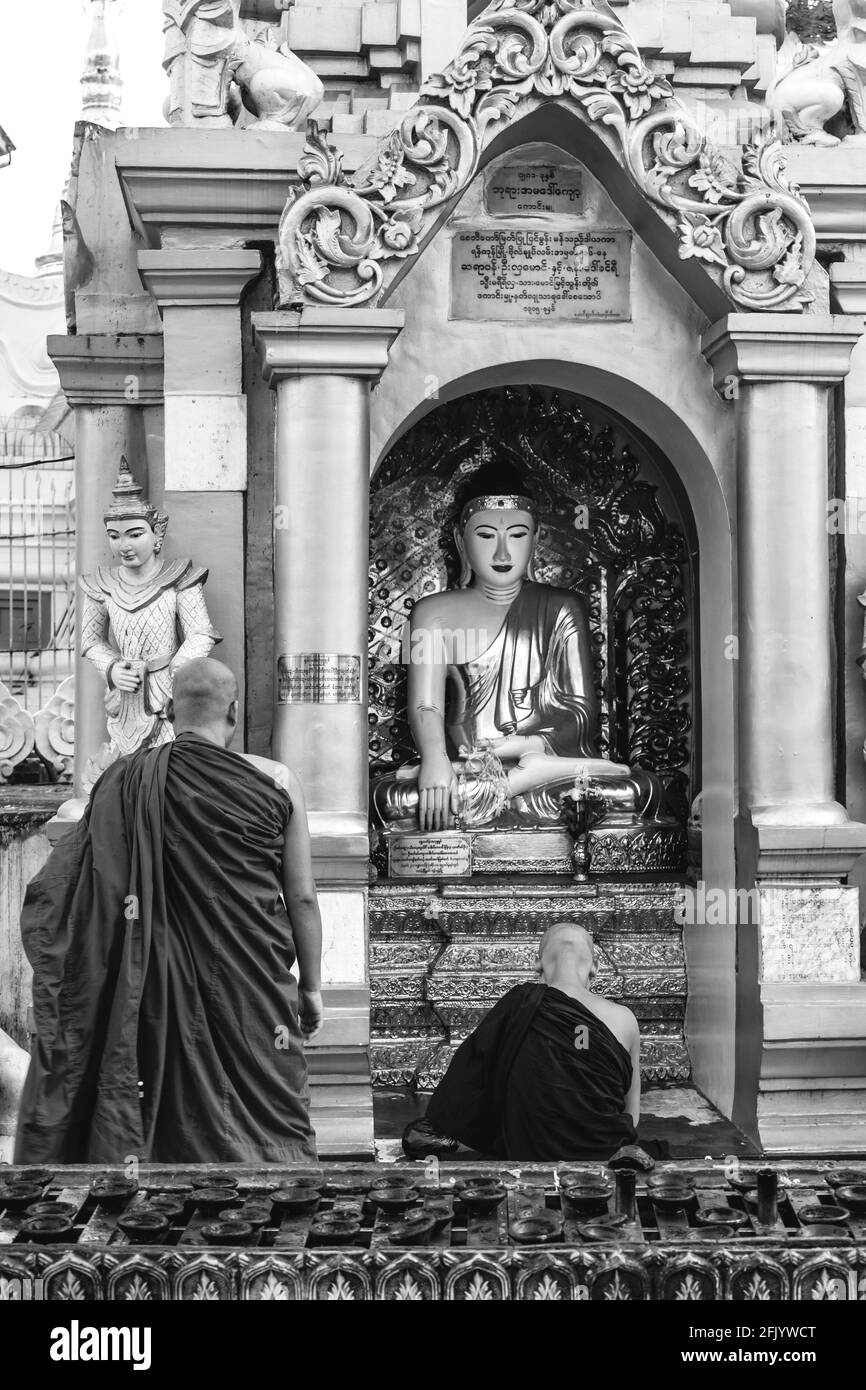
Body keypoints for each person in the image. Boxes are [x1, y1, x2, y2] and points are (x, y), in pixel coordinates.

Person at [14, 658, 323, 1166]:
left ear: (165, 708)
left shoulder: (125, 779)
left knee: (157, 1078)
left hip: (152, 980)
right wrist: (310, 988)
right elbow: (304, 897)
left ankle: (149, 1194)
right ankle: (272, 1188)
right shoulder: (276, 780)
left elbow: (65, 891)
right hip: (251, 985)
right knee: (269, 1094)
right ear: (235, 710)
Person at [404, 922, 643, 1163]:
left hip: (528, 1151)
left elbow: (466, 1084)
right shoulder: (624, 1020)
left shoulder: (520, 1005)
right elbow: (632, 1116)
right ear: (595, 967)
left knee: (417, 1137)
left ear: (537, 963)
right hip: (604, 1152)